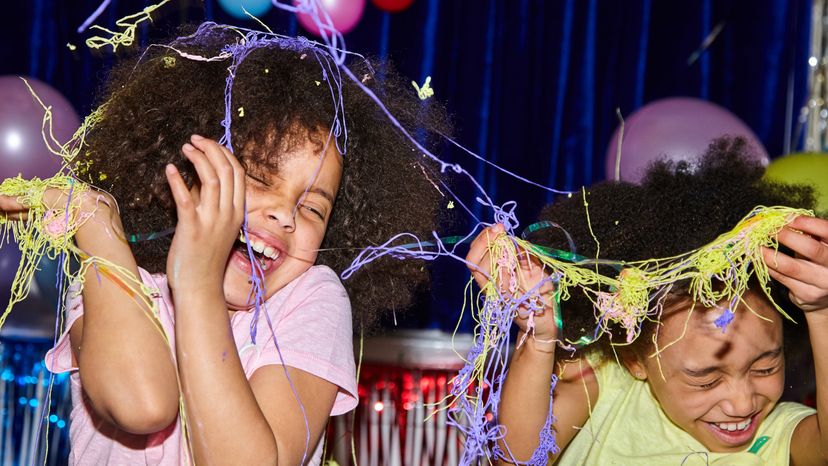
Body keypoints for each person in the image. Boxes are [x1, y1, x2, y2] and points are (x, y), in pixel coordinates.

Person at [0, 22, 450, 465]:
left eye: (313, 209)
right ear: (181, 176)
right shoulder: (116, 279)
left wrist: (196, 285)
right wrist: (97, 224)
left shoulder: (310, 297)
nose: (284, 215)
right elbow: (142, 405)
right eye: (257, 178)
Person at [466, 137, 828, 465]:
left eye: (765, 368)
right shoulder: (603, 386)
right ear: (635, 357)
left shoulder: (779, 434)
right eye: (704, 380)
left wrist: (822, 311)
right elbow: (517, 460)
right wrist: (539, 336)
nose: (743, 403)